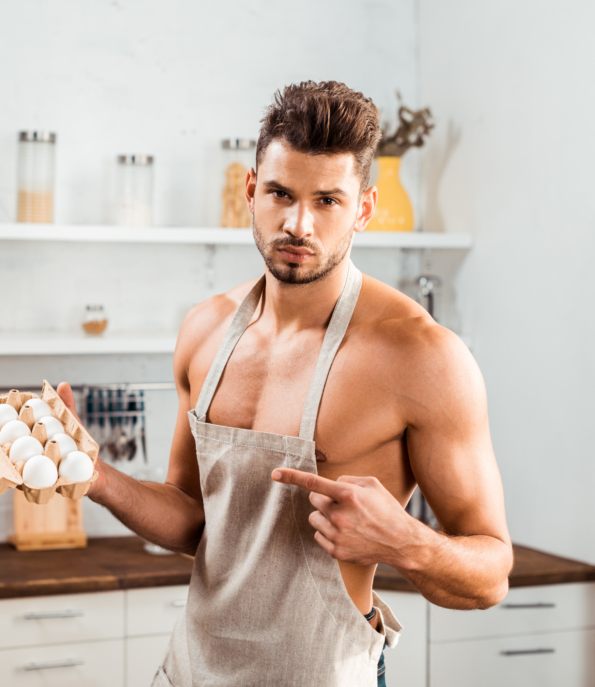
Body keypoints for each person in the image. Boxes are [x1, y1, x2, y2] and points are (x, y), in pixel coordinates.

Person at [58, 81, 512, 687]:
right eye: (280, 193)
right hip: (192, 672)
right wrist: (97, 477)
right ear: (251, 190)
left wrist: (406, 543)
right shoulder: (205, 331)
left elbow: (491, 576)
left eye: (328, 201)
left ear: (364, 209)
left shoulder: (423, 357)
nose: (298, 224)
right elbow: (195, 519)